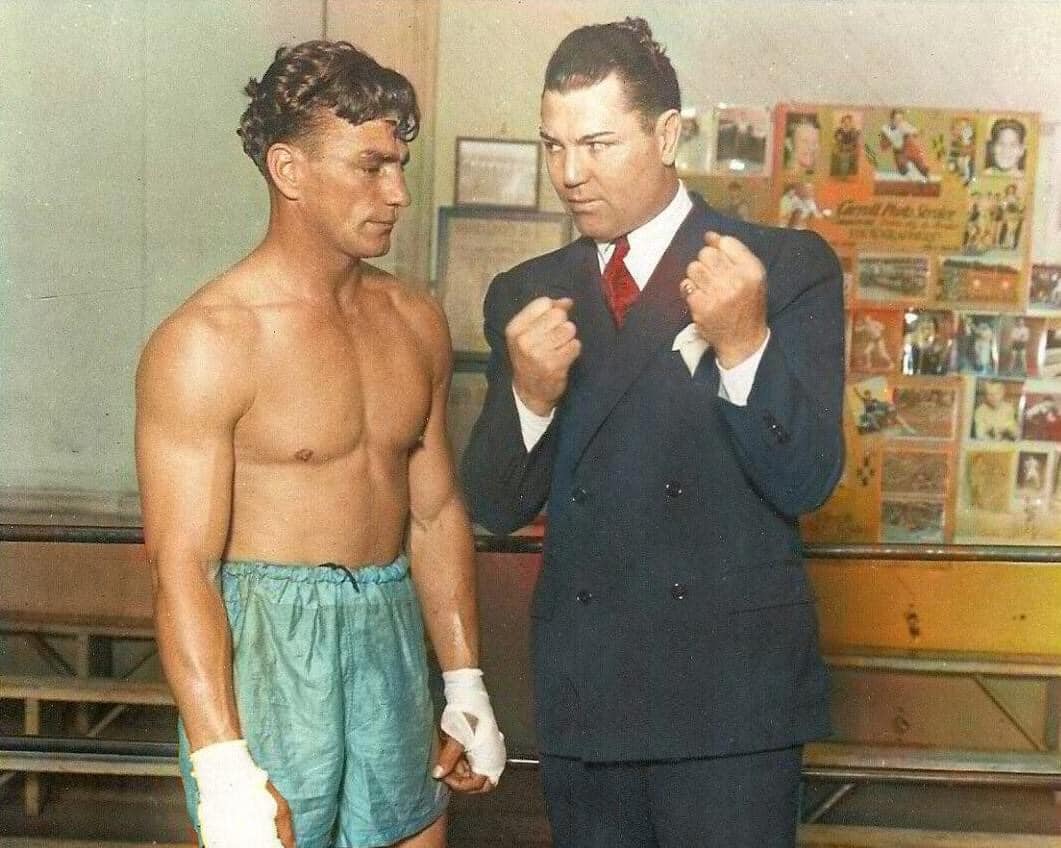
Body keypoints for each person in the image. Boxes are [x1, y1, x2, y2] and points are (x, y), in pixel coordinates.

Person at [460, 18, 844, 848]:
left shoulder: (779, 266)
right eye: (553, 147)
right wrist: (528, 394)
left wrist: (745, 344)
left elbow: (809, 478)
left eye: (597, 145)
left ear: (668, 135)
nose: (570, 175)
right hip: (588, 692)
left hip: (730, 699)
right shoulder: (525, 291)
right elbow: (492, 503)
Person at [135, 41, 505, 848]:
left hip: (390, 631)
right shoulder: (207, 340)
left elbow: (437, 513)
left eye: (400, 165)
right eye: (369, 166)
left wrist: (465, 681)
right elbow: (184, 567)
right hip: (266, 651)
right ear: (288, 170)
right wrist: (221, 759)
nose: (397, 192)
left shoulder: (415, 322)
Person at [879, 108, 930, 180]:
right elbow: (883, 147)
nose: (899, 122)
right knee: (903, 169)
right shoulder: (886, 129)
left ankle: (923, 173)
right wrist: (892, 139)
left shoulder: (904, 125)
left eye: (901, 120)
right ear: (892, 119)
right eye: (897, 119)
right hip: (899, 152)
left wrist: (914, 132)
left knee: (922, 168)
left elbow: (915, 132)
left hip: (910, 149)